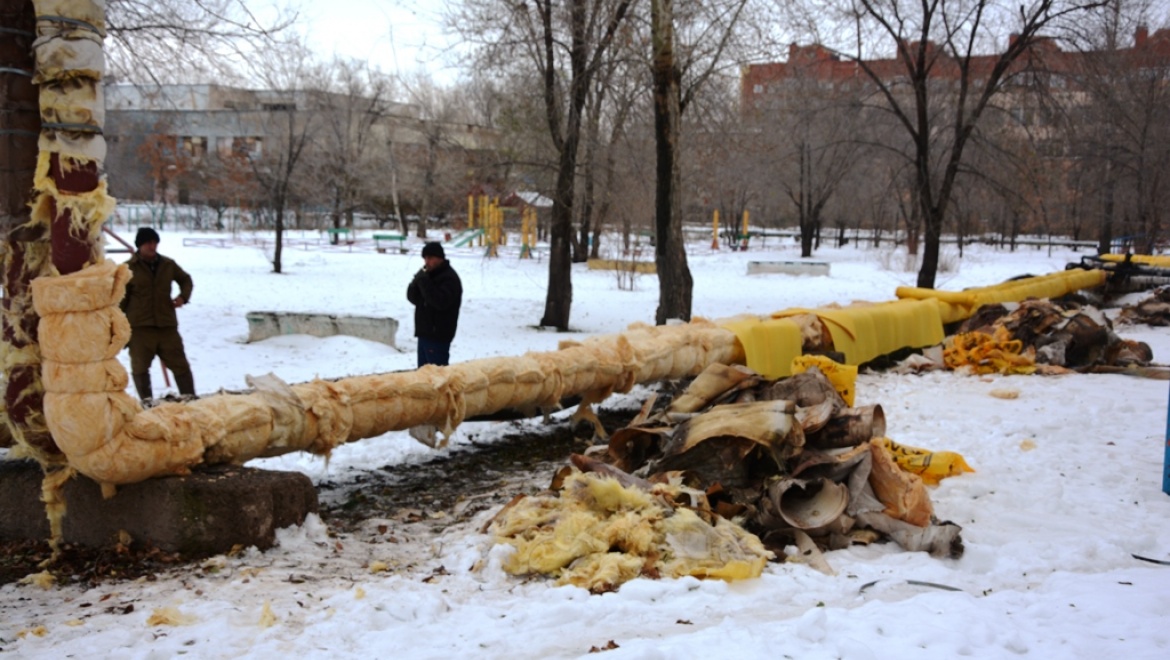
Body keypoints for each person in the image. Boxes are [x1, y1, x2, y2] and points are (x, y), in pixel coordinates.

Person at [120, 227, 195, 403]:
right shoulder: (128, 269)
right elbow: (120, 300)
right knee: (140, 368)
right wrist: (117, 325)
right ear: (139, 245)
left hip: (166, 326)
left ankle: (191, 400)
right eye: (148, 243)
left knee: (180, 365)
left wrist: (183, 297)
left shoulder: (168, 265)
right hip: (140, 328)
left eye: (155, 242)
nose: (152, 246)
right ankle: (147, 403)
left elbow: (186, 279)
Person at [406, 241, 462, 367]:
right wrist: (415, 283)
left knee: (437, 378)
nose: (427, 262)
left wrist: (424, 282)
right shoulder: (428, 276)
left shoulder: (449, 278)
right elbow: (414, 299)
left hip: (438, 336)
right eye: (425, 258)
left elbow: (439, 302)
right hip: (424, 333)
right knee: (423, 377)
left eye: (430, 258)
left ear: (440, 258)